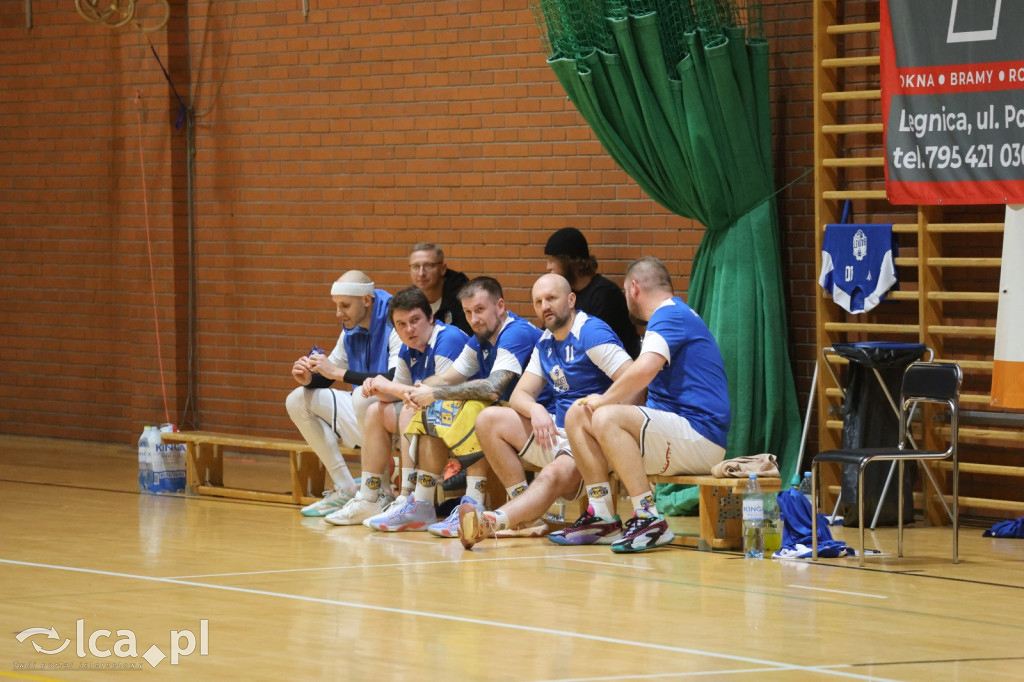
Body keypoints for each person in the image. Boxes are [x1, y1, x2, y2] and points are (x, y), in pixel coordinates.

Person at [556, 256, 732, 553]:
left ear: (633, 288)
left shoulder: (669, 314)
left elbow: (644, 370)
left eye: (625, 292)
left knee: (604, 416)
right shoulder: (668, 318)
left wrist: (605, 400)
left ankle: (648, 516)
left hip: (700, 435)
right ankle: (601, 514)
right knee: (578, 414)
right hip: (672, 432)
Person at [458, 274, 634, 549]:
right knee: (489, 419)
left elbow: (634, 383)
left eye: (551, 298)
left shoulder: (591, 333)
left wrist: (607, 426)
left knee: (550, 475)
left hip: (592, 439)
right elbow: (520, 395)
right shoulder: (546, 342)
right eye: (538, 302)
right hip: (559, 430)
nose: (545, 306)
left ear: (571, 299)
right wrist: (536, 408)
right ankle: (525, 520)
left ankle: (493, 521)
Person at [367, 276, 547, 536]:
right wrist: (422, 392)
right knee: (434, 407)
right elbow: (447, 377)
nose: (474, 319)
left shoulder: (515, 332)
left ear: (500, 306)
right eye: (468, 312)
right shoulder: (479, 339)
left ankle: (474, 502)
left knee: (475, 408)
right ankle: (422, 503)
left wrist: (436, 393)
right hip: (513, 421)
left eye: (480, 310)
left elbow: (492, 388)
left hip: (542, 419)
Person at [322, 287, 469, 526]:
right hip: (435, 419)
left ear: (431, 318)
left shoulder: (447, 338)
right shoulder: (406, 348)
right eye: (401, 324)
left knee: (410, 409)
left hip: (465, 418)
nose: (409, 329)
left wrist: (389, 387)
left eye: (415, 321)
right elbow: (397, 393)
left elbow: (437, 395)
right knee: (374, 410)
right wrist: (375, 387)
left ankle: (406, 496)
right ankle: (370, 497)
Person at [285, 271, 401, 517]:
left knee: (364, 395)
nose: (339, 313)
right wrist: (310, 378)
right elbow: (331, 373)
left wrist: (336, 372)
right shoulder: (351, 327)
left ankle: (381, 490)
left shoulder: (394, 319)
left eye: (345, 305)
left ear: (367, 300)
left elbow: (394, 378)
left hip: (398, 417)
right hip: (366, 418)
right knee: (297, 399)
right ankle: (346, 488)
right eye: (337, 306)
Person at [543, 227, 640, 358]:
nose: (548, 267)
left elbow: (595, 347)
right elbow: (547, 338)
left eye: (552, 260)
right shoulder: (564, 295)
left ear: (568, 261)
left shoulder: (605, 295)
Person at [408, 242, 471, 335]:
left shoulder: (463, 298)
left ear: (443, 269)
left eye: (428, 266)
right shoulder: (408, 301)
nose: (421, 273)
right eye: (416, 267)